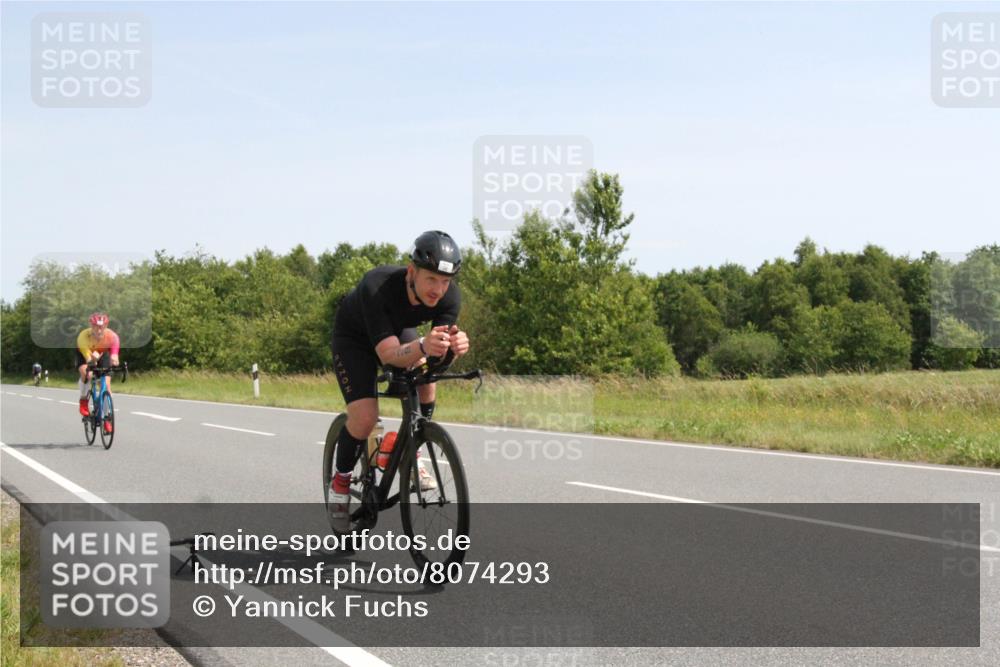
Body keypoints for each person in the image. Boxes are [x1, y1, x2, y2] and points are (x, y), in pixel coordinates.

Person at [328, 231, 470, 533]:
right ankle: (339, 484)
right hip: (354, 338)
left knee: (426, 384)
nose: (438, 289)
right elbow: (390, 355)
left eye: (445, 282)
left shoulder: (449, 297)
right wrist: (422, 345)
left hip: (398, 331)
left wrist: (452, 351)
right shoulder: (377, 285)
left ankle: (410, 448)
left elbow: (434, 364)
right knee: (365, 418)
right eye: (431, 279)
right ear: (412, 272)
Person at [76, 312, 121, 433]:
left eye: (102, 326)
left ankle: (106, 418)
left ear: (106, 326)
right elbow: (88, 357)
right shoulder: (83, 336)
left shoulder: (112, 336)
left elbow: (114, 352)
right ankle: (83, 399)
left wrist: (114, 358)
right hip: (85, 354)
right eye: (96, 326)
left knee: (106, 384)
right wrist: (91, 361)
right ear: (91, 325)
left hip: (102, 354)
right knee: (88, 374)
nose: (99, 329)